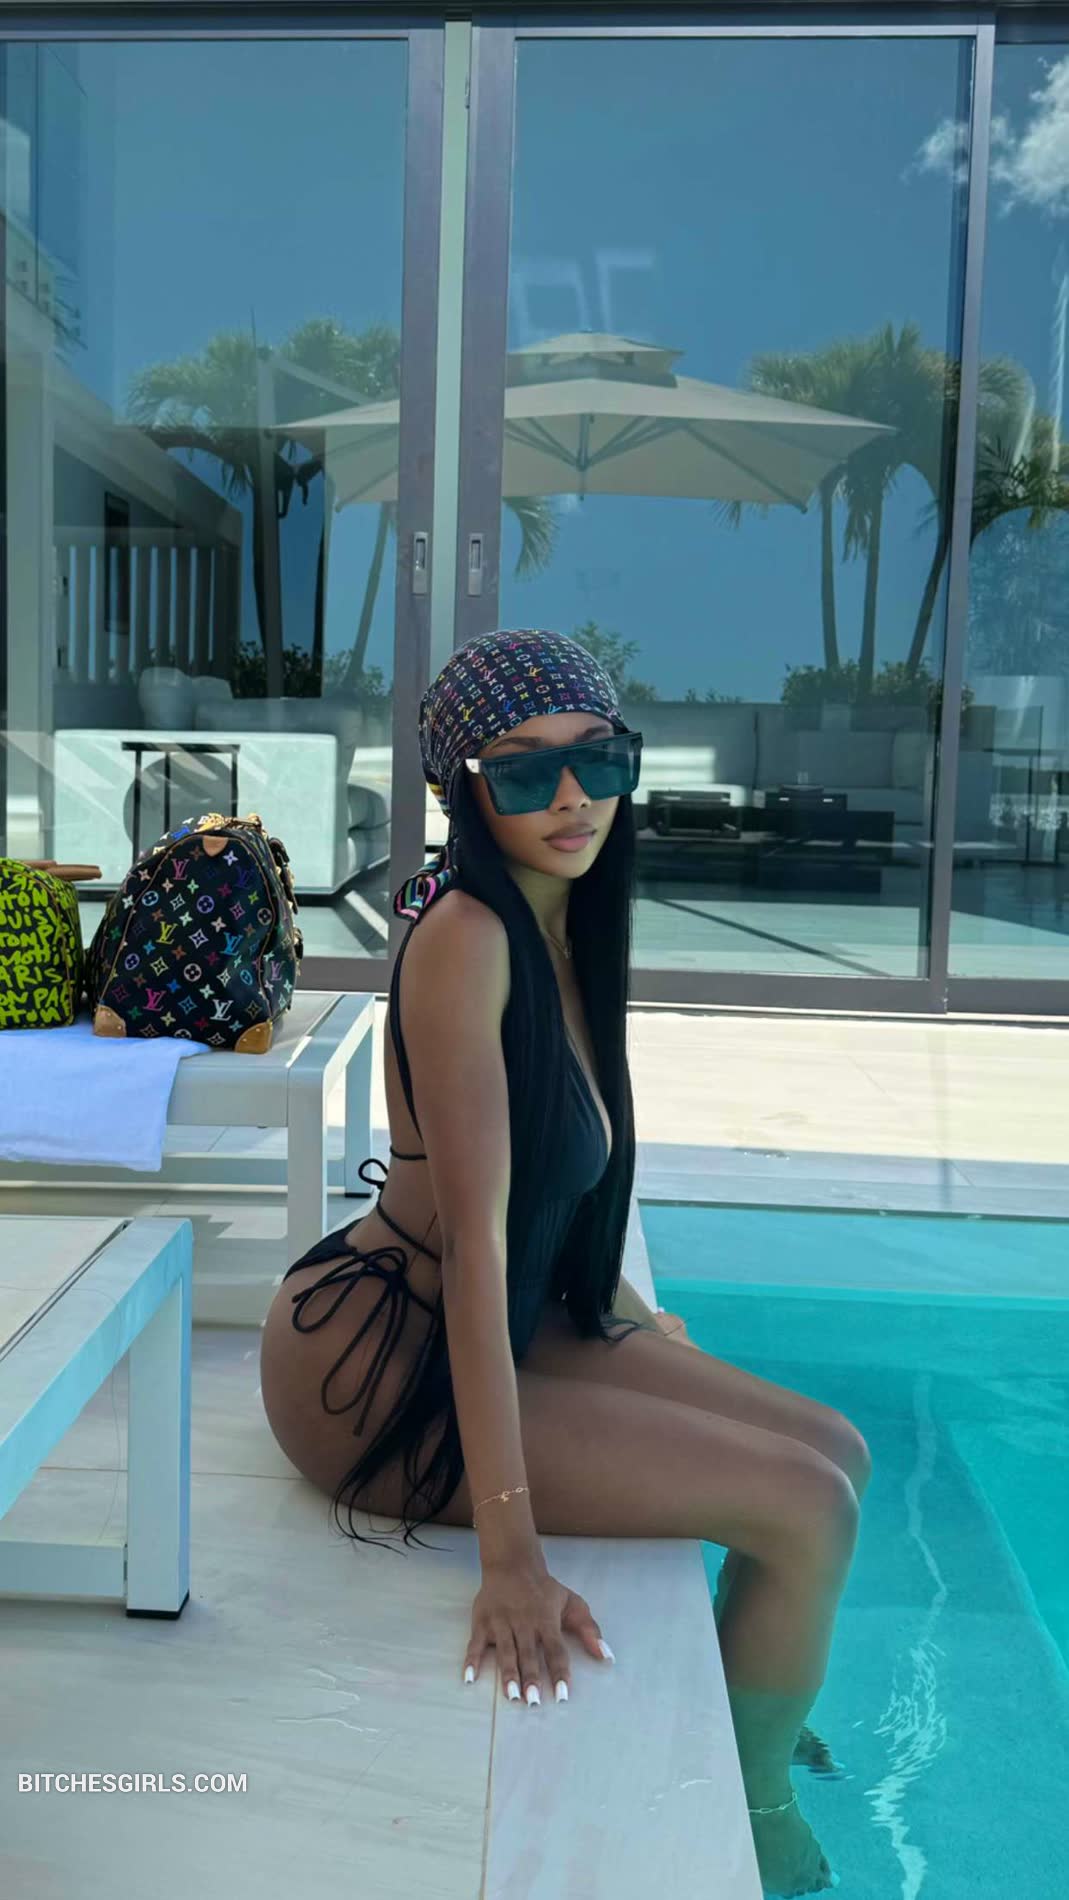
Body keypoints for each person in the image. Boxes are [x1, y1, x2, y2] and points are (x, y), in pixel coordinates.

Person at [259, 629, 868, 1897]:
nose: (574, 796)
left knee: (839, 1452)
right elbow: (476, 1249)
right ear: (464, 791)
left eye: (599, 759)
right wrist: (510, 1554)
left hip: (513, 1310)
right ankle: (756, 1794)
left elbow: (561, 1183)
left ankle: (755, 1702)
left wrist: (631, 1315)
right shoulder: (468, 937)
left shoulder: (566, 924)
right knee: (806, 1508)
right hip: (380, 1362)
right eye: (528, 771)